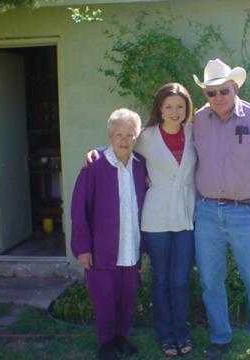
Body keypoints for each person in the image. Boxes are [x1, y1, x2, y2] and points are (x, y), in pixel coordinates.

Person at [86, 83, 197, 357]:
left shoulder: (196, 133)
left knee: (181, 280)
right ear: (159, 108)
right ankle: (165, 336)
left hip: (186, 217)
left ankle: (180, 332)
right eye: (168, 106)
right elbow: (121, 143)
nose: (174, 112)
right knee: (160, 280)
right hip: (155, 219)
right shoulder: (147, 135)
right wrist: (96, 153)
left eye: (180, 106)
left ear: (187, 109)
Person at [192, 59, 250, 360]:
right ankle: (220, 338)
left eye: (224, 91)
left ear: (235, 88)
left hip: (245, 213)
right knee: (210, 280)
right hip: (206, 213)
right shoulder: (197, 121)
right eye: (211, 92)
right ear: (205, 94)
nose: (218, 98)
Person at [71, 108, 147, 360]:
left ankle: (121, 337)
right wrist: (82, 247)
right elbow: (78, 208)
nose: (124, 140)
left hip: (131, 245)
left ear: (137, 137)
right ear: (110, 135)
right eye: (119, 134)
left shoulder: (140, 166)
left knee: (127, 296)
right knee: (104, 297)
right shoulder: (95, 165)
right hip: (102, 247)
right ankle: (106, 342)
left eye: (130, 135)